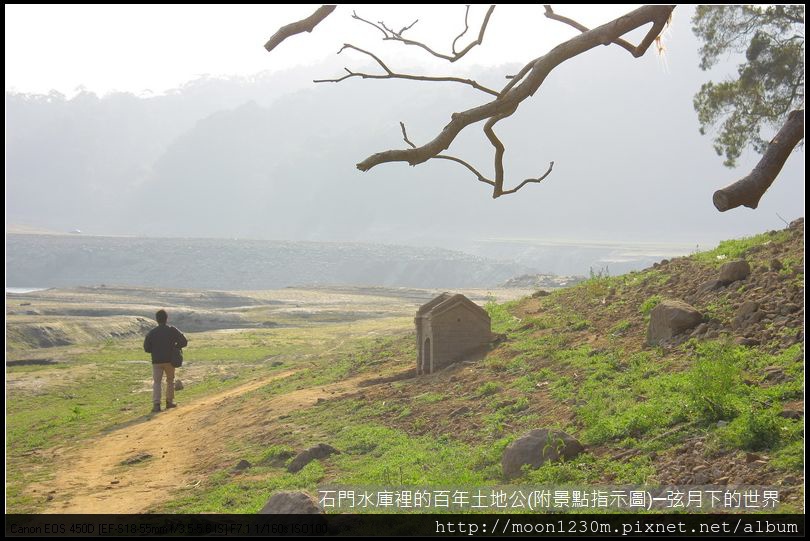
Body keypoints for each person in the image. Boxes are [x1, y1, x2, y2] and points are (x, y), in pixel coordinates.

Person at [143, 309, 188, 413]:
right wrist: (175, 347)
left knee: (157, 382)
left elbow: (146, 348)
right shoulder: (172, 330)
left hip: (156, 361)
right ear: (166, 319)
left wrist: (155, 350)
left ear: (157, 320)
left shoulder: (152, 332)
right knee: (170, 381)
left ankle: (156, 405)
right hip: (169, 360)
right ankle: (169, 402)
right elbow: (184, 341)